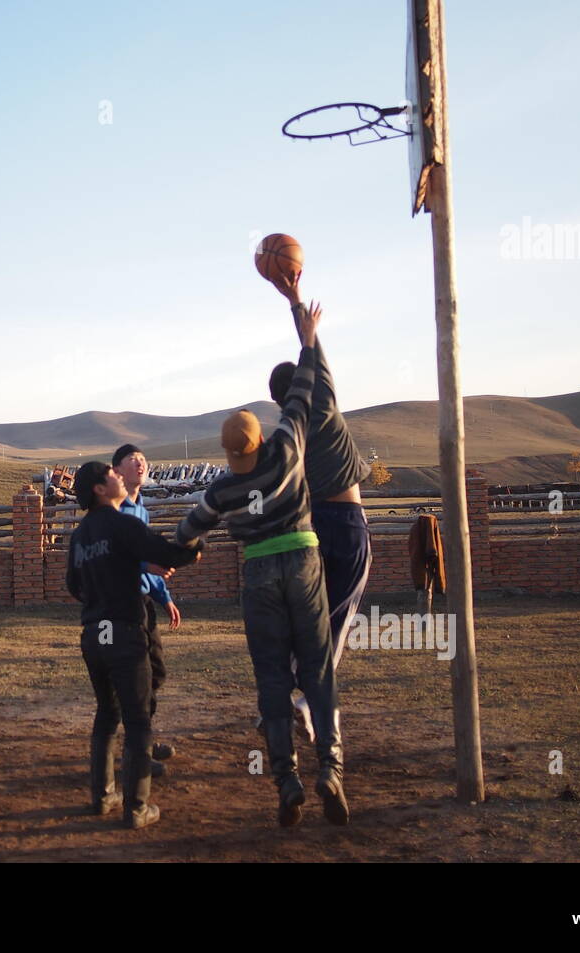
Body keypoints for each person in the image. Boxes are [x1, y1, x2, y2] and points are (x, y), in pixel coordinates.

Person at [175, 300, 349, 827]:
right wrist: (307, 334)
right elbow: (303, 391)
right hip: (302, 562)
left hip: (258, 577)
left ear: (231, 452)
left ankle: (287, 780)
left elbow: (188, 530)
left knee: (272, 680)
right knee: (317, 672)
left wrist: (177, 557)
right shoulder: (288, 447)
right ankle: (332, 771)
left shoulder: (225, 488)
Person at [65, 461, 203, 829]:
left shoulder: (80, 537)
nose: (120, 477)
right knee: (138, 720)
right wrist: (194, 546)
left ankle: (102, 796)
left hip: (95, 634)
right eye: (112, 473)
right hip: (124, 632)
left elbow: (73, 586)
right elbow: (167, 553)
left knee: (107, 714)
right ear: (99, 488)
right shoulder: (123, 524)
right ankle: (137, 808)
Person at [267, 272, 372, 675]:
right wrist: (295, 300)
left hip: (309, 531)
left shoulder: (285, 436)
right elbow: (313, 353)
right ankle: (307, 704)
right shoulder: (323, 404)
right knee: (338, 618)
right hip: (346, 525)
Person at [112, 443, 178, 775]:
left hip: (144, 603)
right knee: (136, 679)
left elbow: (148, 560)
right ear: (117, 471)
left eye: (142, 458)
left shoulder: (142, 509)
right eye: (131, 459)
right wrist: (146, 565)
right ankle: (134, 752)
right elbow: (117, 557)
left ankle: (143, 741)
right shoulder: (115, 511)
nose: (139, 463)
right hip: (122, 606)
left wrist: (164, 596)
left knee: (155, 673)